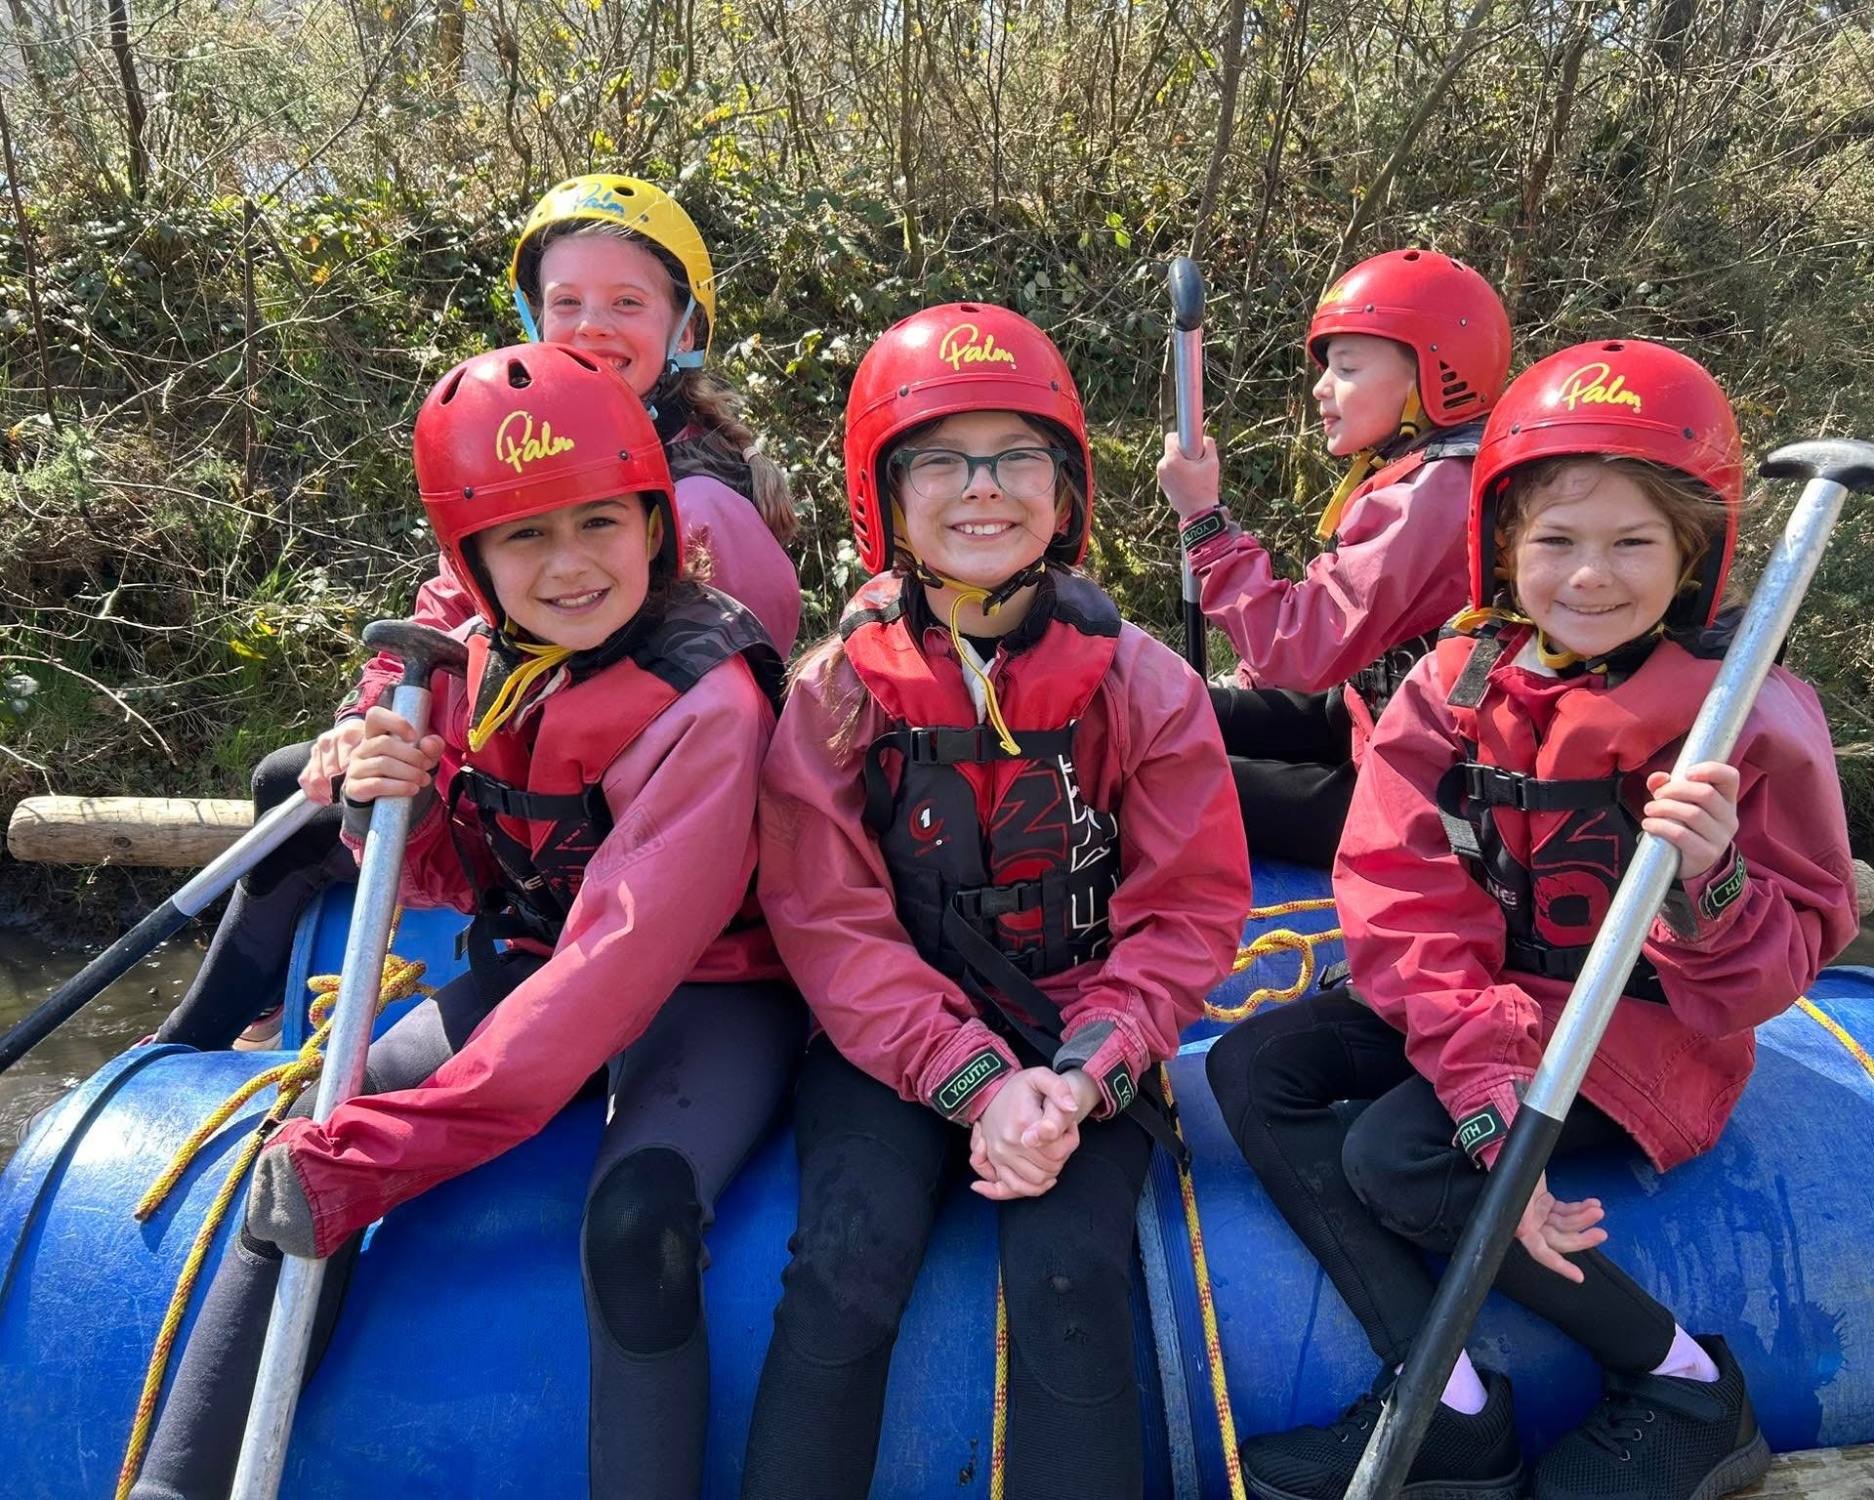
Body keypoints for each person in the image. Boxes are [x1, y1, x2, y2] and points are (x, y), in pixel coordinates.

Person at [132, 343, 804, 1500]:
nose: (571, 565)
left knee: (635, 1223)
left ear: (653, 523)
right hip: (534, 958)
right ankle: (176, 1485)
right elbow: (452, 884)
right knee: (306, 1126)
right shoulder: (473, 667)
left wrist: (387, 1156)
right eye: (525, 536)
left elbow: (613, 968)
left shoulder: (711, 694)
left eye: (600, 523)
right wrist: (385, 801)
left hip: (711, 991)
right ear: (473, 560)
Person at [1203, 339, 1861, 1500]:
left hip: (1643, 1034)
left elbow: (1770, 972)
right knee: (1254, 1065)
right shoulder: (1457, 679)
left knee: (1398, 1159)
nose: (1588, 576)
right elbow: (1397, 886)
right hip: (1492, 1006)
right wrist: (1480, 1081)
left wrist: (1709, 884)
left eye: (1630, 544)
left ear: (1690, 553)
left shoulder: (1747, 718)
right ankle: (1444, 1399)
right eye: (1554, 540)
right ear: (1501, 544)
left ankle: (1683, 1385)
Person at [739, 303, 1250, 1499]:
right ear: (888, 492)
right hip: (890, 1042)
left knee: (1071, 1274)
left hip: (1082, 1030)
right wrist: (970, 1080)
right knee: (843, 1259)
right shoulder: (833, 698)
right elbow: (830, 921)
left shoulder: (1143, 684)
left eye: (1017, 457)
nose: (983, 490)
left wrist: (1078, 1077)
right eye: (940, 462)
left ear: (1065, 491)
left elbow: (1185, 914)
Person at [152, 173, 800, 1054]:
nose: (591, 326)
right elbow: (447, 614)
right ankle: (200, 1042)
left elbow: (714, 707)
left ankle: (213, 1033)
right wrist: (367, 722)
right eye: (566, 301)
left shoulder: (704, 503)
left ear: (684, 328)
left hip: (624, 815)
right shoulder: (525, 442)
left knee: (322, 793)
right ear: (534, 317)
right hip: (529, 767)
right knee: (291, 779)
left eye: (626, 302)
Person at [1155, 249, 1510, 864]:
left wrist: (1203, 521)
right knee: (1165, 710)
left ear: (1432, 376)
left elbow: (1299, 646)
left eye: (1345, 368)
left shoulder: (1437, 495)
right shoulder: (1429, 475)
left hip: (1420, 793)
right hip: (1375, 723)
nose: (1320, 386)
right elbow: (1334, 630)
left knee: (1160, 780)